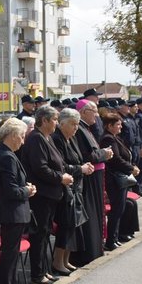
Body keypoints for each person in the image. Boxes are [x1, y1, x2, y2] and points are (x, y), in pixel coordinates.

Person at [21, 106, 74, 284]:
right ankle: (37, 274)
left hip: (51, 195)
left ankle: (44, 269)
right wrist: (60, 178)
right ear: (44, 120)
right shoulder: (36, 138)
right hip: (41, 195)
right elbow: (40, 168)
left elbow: (58, 161)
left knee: (45, 234)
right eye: (54, 120)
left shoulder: (47, 137)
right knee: (39, 234)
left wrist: (65, 173)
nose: (56, 123)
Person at [0, 118, 36, 284]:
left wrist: (24, 188)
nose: (23, 142)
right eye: (22, 137)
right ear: (14, 136)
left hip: (14, 211)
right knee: (9, 254)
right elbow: (10, 190)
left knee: (13, 253)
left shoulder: (7, 154)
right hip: (11, 212)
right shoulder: (6, 157)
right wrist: (28, 190)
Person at [51, 108, 94, 275]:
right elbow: (62, 166)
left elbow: (78, 159)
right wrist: (80, 169)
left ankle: (66, 260)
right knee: (66, 226)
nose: (76, 128)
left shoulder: (71, 138)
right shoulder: (57, 139)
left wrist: (84, 167)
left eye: (77, 124)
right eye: (72, 124)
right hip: (65, 189)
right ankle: (57, 261)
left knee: (74, 226)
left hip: (76, 188)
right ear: (62, 124)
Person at [70, 100, 113, 266]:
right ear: (82, 112)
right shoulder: (80, 130)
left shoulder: (86, 128)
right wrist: (104, 153)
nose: (96, 115)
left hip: (94, 177)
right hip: (88, 178)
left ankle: (96, 248)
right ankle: (89, 251)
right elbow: (89, 156)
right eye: (93, 111)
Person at [100, 113, 140, 251]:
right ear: (109, 126)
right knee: (116, 210)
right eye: (117, 124)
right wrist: (131, 168)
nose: (120, 126)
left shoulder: (115, 138)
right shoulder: (107, 139)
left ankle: (115, 237)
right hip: (114, 179)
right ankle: (111, 240)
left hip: (120, 178)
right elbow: (115, 159)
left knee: (120, 208)